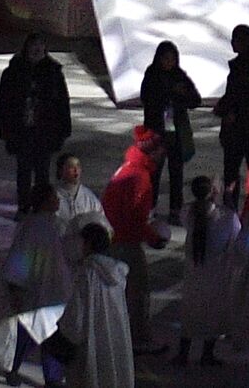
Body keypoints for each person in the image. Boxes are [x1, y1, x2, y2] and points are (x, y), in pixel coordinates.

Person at [100, 125, 169, 354]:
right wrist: (154, 238)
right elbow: (136, 217)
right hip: (126, 242)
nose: (163, 155)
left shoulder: (127, 168)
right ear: (152, 151)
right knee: (137, 293)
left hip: (114, 238)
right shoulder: (139, 177)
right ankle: (137, 339)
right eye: (160, 151)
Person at [0, 183, 71, 388]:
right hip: (40, 293)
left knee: (41, 333)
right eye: (54, 197)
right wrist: (16, 290)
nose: (57, 200)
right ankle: (44, 376)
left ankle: (49, 377)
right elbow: (21, 259)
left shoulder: (49, 225)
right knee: (37, 333)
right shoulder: (35, 228)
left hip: (48, 293)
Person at [0, 33, 71, 215]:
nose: (37, 49)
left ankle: (40, 207)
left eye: (40, 45)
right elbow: (5, 103)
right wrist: (6, 131)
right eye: (34, 45)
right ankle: (23, 206)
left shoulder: (54, 73)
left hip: (44, 131)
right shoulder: (13, 72)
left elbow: (62, 102)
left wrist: (63, 129)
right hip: (22, 130)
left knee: (42, 172)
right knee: (23, 171)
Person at [58, 223, 134, 388]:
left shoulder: (87, 273)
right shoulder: (117, 274)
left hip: (90, 339)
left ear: (88, 244)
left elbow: (76, 315)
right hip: (114, 336)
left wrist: (64, 331)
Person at [176, 176, 240, 366]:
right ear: (214, 192)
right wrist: (227, 198)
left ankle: (183, 353)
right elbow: (235, 240)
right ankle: (207, 354)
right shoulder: (227, 218)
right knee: (212, 315)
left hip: (192, 277)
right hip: (216, 277)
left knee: (190, 313)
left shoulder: (187, 213)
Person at [139, 41, 202, 225]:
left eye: (172, 59)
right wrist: (168, 93)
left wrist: (180, 97)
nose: (169, 62)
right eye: (165, 59)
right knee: (153, 173)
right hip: (157, 131)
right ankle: (149, 208)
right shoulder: (152, 75)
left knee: (176, 172)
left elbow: (195, 99)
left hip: (175, 132)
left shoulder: (179, 76)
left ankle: (176, 209)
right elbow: (147, 99)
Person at [212, 24, 249, 207]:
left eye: (235, 39)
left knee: (233, 170)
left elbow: (237, 95)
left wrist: (224, 109)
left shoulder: (244, 68)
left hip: (239, 127)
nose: (232, 43)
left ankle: (234, 210)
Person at [54, 153, 107, 237]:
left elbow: (101, 221)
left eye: (78, 166)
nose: (76, 170)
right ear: (61, 170)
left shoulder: (89, 197)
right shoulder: (53, 196)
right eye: (71, 166)